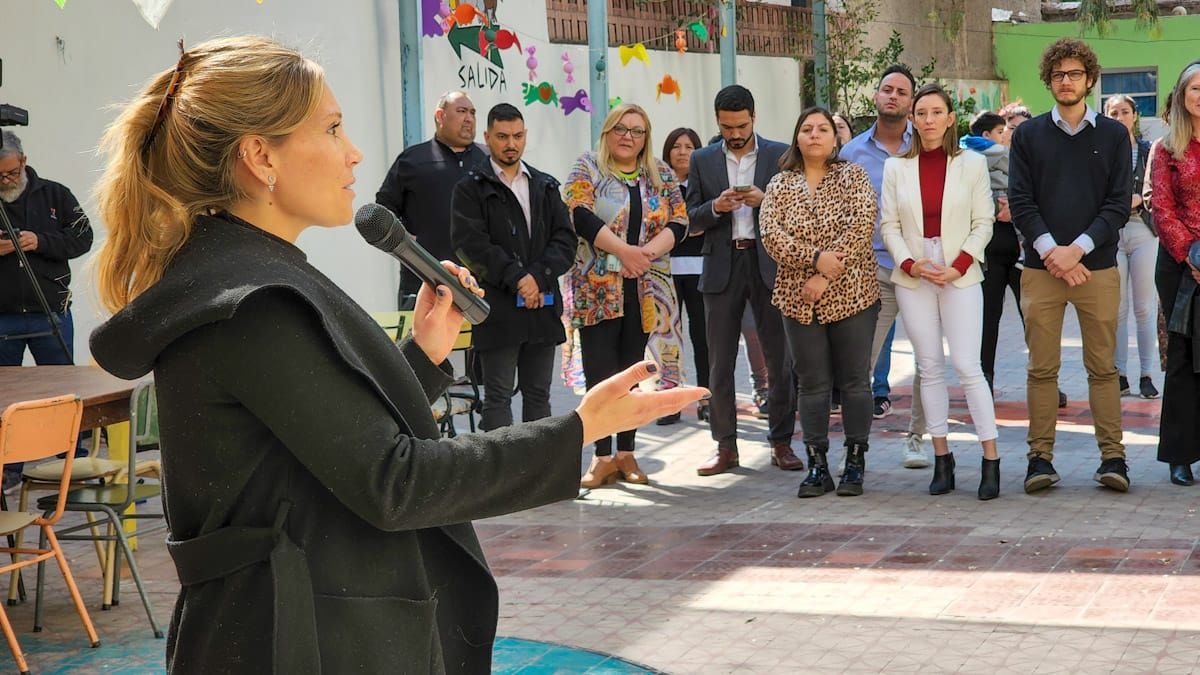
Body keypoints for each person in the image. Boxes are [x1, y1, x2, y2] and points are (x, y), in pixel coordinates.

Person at [88, 37, 703, 673]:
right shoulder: (250, 303)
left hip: (294, 623)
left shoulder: (247, 277)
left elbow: (318, 444)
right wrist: (579, 428)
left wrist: (424, 357)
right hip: (293, 639)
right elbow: (395, 480)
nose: (353, 152)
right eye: (332, 129)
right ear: (260, 156)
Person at [1008, 38, 1132, 493]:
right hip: (1042, 269)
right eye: (1058, 74)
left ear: (1089, 79)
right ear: (1048, 80)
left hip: (1095, 269)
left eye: (1075, 73)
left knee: (1103, 368)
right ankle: (1039, 459)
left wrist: (1075, 250)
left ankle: (1114, 458)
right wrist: (1052, 253)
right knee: (1042, 369)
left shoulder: (1114, 135)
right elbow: (1020, 201)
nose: (1066, 80)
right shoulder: (1028, 135)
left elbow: (1118, 204)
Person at [881, 85, 1000, 499]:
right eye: (921, 113)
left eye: (936, 112)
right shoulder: (896, 168)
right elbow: (889, 225)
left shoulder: (972, 163)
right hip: (915, 276)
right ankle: (942, 459)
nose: (928, 120)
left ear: (950, 119)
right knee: (929, 367)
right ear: (912, 119)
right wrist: (909, 264)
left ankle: (990, 459)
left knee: (968, 366)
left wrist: (960, 265)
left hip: (959, 274)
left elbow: (984, 221)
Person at [563, 103, 689, 487]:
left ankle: (627, 453)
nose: (628, 136)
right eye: (620, 128)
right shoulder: (588, 167)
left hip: (643, 289)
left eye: (637, 130)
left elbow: (679, 220)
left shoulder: (659, 173)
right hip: (597, 290)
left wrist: (644, 255)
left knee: (632, 373)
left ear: (645, 137)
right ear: (607, 132)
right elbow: (579, 214)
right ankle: (601, 457)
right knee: (601, 376)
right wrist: (624, 252)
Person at [760, 107, 879, 497]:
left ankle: (855, 463)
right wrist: (813, 261)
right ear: (797, 137)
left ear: (835, 138)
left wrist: (825, 274)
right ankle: (817, 465)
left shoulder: (853, 176)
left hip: (852, 292)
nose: (814, 135)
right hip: (798, 297)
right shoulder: (780, 183)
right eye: (807, 129)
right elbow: (771, 234)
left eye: (823, 129)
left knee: (855, 380)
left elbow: (862, 225)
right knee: (811, 382)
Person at [686, 85, 802, 476]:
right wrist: (715, 207)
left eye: (741, 126)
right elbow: (690, 217)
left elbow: (796, 212)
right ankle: (725, 447)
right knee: (719, 362)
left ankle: (781, 442)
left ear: (754, 117)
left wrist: (764, 200)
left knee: (779, 359)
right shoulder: (702, 159)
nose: (735, 134)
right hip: (721, 264)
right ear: (717, 122)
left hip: (767, 263)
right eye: (727, 127)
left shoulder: (779, 155)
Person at [450, 103, 577, 431]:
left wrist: (538, 277)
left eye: (518, 136)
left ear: (525, 136)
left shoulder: (545, 185)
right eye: (503, 136)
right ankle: (500, 465)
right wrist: (518, 278)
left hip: (541, 306)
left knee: (539, 395)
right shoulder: (470, 187)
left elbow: (566, 239)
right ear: (487, 137)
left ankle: (539, 463)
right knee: (498, 398)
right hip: (498, 308)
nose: (511, 144)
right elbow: (470, 244)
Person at [841, 64, 929, 469]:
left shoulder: (927, 145)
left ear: (911, 102)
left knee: (929, 361)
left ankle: (917, 439)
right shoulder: (851, 153)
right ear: (876, 96)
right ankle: (854, 449)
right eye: (887, 89)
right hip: (873, 271)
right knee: (859, 365)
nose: (893, 96)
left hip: (923, 272)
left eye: (901, 92)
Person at [0, 130, 94, 488]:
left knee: (61, 389)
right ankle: (9, 468)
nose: (6, 181)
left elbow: (82, 238)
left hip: (49, 309)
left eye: (11, 173)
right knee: (6, 397)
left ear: (24, 162)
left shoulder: (56, 194)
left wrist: (39, 241)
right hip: (3, 315)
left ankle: (72, 462)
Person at [376, 90, 487, 308]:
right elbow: (384, 207)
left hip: (483, 285)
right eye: (462, 111)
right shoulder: (413, 160)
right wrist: (404, 239)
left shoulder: (489, 160)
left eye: (472, 113)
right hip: (424, 281)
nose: (469, 118)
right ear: (440, 116)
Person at [1152, 61, 1200, 487]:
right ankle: (1180, 455)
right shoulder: (1166, 148)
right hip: (1179, 264)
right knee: (1182, 360)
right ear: (1182, 96)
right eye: (1195, 88)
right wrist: (1191, 254)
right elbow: (1162, 209)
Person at [1104, 94, 1160, 399]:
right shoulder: (1100, 150)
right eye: (1113, 113)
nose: (1119, 117)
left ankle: (1147, 374)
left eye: (1124, 112)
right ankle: (1120, 374)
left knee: (1144, 306)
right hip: (1112, 232)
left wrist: (1140, 197)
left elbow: (1159, 189)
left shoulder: (1148, 149)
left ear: (1134, 115)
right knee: (1117, 307)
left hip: (1142, 228)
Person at [961, 112, 1020, 393]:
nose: (1005, 136)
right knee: (993, 317)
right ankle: (986, 379)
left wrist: (1014, 207)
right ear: (986, 135)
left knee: (993, 318)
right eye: (1001, 131)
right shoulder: (967, 162)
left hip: (1011, 247)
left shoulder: (965, 157)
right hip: (992, 248)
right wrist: (1000, 207)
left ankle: (986, 381)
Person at [660, 126, 710, 424]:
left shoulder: (703, 183)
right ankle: (670, 402)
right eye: (676, 146)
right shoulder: (658, 184)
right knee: (668, 340)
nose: (682, 152)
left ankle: (706, 398)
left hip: (700, 269)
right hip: (665, 270)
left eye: (688, 147)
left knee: (702, 337)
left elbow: (707, 221)